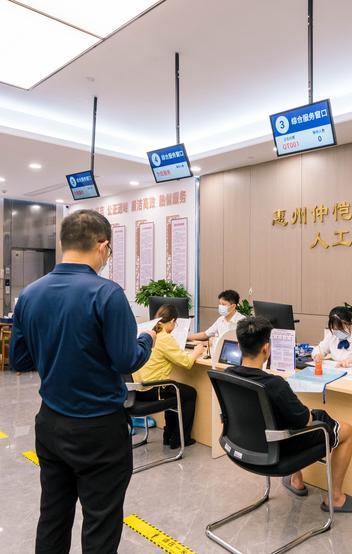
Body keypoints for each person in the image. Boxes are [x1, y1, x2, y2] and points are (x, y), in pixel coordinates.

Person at [10, 209, 156, 553]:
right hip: (100, 430)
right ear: (103, 247)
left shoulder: (30, 294)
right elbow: (126, 360)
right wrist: (147, 339)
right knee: (100, 524)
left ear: (65, 244)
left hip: (50, 424)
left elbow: (20, 360)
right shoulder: (107, 294)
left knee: (53, 516)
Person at [226, 316, 352, 512]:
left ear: (239, 345)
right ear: (266, 348)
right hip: (277, 454)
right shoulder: (275, 385)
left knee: (283, 419)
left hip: (242, 447)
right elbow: (305, 420)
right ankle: (335, 497)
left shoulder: (228, 375)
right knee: (346, 431)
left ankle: (295, 479)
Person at [133, 304, 206, 449]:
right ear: (172, 321)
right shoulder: (165, 338)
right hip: (151, 390)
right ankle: (179, 439)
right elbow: (186, 363)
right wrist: (197, 351)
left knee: (173, 388)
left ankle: (168, 436)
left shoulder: (148, 332)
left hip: (136, 390)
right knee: (189, 393)